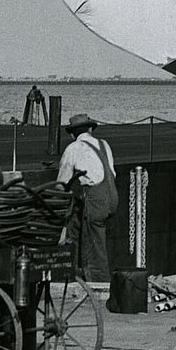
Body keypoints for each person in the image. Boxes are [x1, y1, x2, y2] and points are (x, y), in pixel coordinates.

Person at [55, 112, 118, 282]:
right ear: (90, 129)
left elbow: (62, 183)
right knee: (96, 236)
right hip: (112, 197)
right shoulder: (104, 144)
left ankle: (99, 284)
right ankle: (88, 275)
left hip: (96, 199)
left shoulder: (74, 148)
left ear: (72, 133)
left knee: (93, 247)